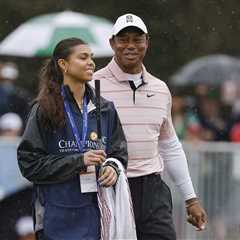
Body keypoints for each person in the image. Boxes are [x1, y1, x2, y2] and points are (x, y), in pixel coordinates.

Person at [93, 13, 208, 240]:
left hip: (151, 188)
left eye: (137, 39)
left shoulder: (161, 89)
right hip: (108, 187)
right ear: (112, 43)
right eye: (123, 39)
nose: (130, 46)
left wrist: (191, 199)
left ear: (147, 42)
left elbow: (170, 146)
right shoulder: (92, 85)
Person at [17, 38, 131, 240]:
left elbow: (118, 152)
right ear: (63, 64)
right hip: (56, 217)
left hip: (96, 217)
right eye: (83, 57)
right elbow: (29, 164)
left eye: (92, 57)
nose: (91, 63)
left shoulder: (105, 108)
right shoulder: (43, 109)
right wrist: (79, 160)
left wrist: (113, 168)